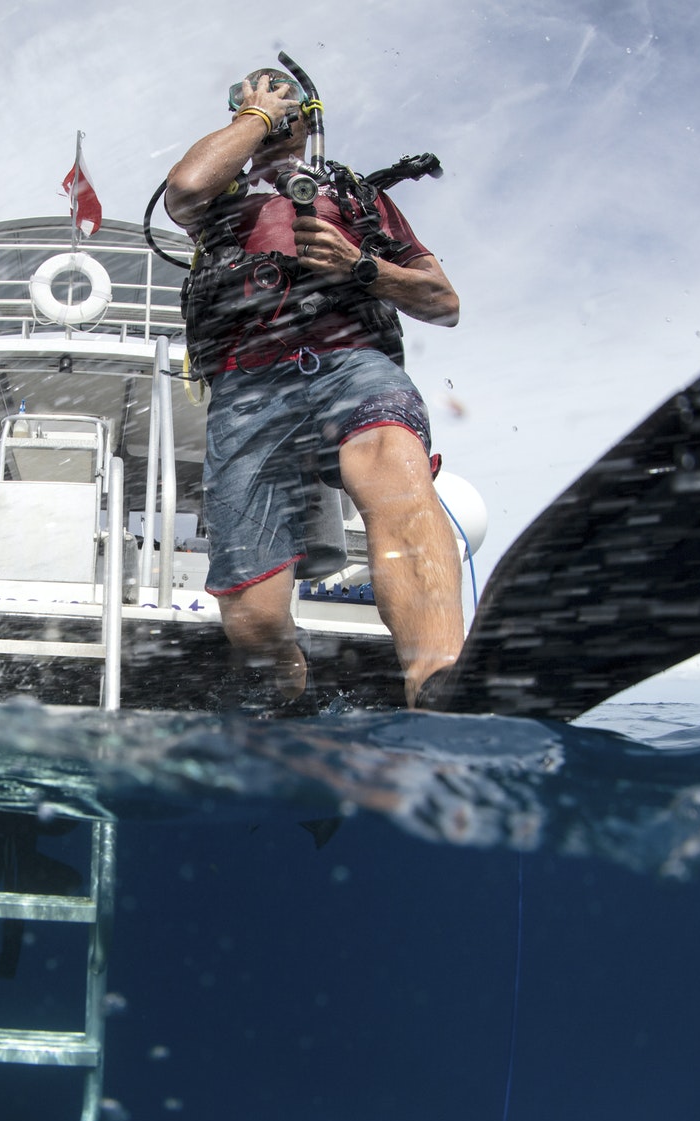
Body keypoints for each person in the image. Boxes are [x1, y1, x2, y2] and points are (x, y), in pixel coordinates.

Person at [164, 70, 463, 709]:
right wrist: (257, 116)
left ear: (312, 116)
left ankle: (437, 680)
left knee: (390, 461)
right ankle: (283, 686)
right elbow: (185, 187)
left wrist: (364, 267)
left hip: (350, 360)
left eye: (284, 94)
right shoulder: (217, 199)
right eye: (252, 93)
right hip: (246, 385)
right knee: (255, 622)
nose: (269, 98)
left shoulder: (356, 197)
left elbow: (444, 303)